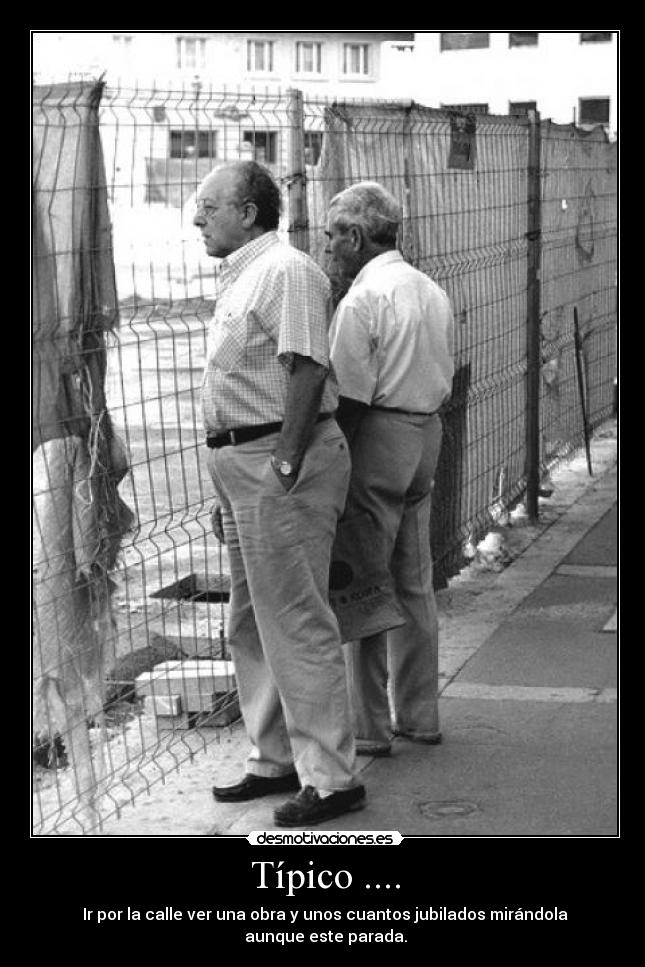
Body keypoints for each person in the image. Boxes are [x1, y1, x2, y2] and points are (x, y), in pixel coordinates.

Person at [194, 160, 365, 826]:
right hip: (244, 462)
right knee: (249, 616)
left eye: (209, 205)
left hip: (277, 457)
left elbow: (307, 368)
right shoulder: (245, 275)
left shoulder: (286, 271)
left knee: (295, 617)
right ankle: (275, 757)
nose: (197, 217)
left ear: (249, 210)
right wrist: (230, 480)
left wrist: (285, 465)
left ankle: (332, 776)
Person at [326, 181, 455, 757]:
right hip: (427, 431)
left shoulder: (362, 299)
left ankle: (370, 726)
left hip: (378, 434)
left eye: (333, 237)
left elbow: (348, 398)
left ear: (355, 235)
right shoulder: (429, 289)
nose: (329, 249)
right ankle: (420, 713)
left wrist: (328, 463)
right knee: (414, 577)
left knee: (360, 580)